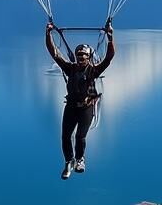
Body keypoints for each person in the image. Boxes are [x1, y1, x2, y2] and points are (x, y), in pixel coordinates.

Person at [45, 17, 114, 179]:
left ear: (89, 57)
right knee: (65, 136)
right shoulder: (70, 68)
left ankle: (80, 159)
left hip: (86, 107)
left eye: (83, 56)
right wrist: (47, 33)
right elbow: (54, 52)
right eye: (79, 56)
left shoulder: (94, 70)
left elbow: (109, 57)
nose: (81, 58)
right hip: (71, 107)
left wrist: (110, 37)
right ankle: (69, 161)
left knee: (80, 136)